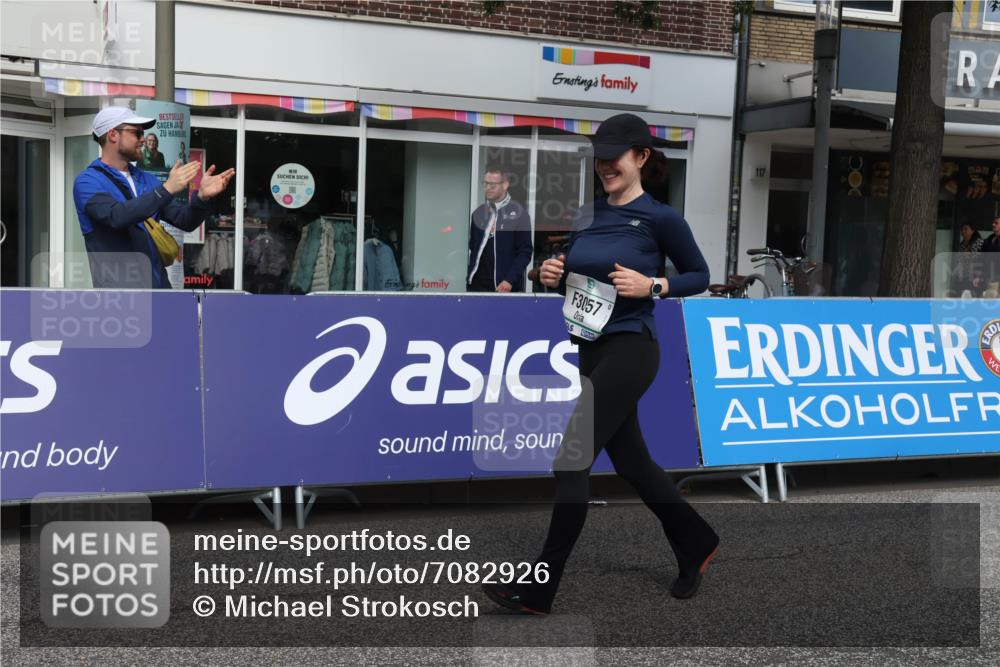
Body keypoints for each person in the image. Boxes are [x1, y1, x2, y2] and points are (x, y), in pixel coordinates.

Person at [481, 113, 718, 615]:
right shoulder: (588, 213)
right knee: (633, 463)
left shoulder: (661, 218)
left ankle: (538, 589)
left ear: (641, 157)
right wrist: (545, 271)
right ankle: (696, 540)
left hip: (632, 348)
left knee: (570, 460)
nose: (605, 165)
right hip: (589, 349)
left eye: (615, 157)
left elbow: (700, 274)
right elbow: (567, 267)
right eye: (600, 158)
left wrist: (655, 285)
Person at [73, 106, 235, 288]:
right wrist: (166, 190)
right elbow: (116, 217)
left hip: (159, 292)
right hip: (119, 299)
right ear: (112, 135)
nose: (143, 139)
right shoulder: (88, 182)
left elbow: (185, 221)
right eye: (136, 133)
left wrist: (203, 198)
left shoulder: (146, 179)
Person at [467, 167, 533, 292]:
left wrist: (510, 280)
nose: (487, 188)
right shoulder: (478, 213)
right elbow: (473, 247)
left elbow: (525, 252)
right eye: (485, 183)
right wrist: (470, 276)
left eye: (492, 185)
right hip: (477, 286)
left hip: (505, 286)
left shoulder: (520, 213)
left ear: (505, 185)